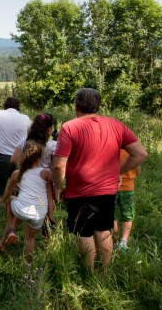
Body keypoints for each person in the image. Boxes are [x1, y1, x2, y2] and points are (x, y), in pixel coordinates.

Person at [53, 88, 148, 270]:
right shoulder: (116, 125)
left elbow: (58, 165)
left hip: (78, 189)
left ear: (76, 107)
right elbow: (140, 154)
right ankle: (104, 272)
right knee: (103, 230)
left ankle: (88, 273)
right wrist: (119, 171)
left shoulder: (69, 127)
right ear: (98, 107)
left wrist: (58, 187)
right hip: (107, 189)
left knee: (84, 233)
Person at [0, 140, 54, 262]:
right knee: (29, 239)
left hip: (21, 210)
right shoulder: (46, 173)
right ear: (39, 157)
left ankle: (10, 230)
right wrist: (51, 216)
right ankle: (27, 266)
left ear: (23, 156)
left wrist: (5, 202)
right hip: (38, 214)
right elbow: (50, 197)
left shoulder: (17, 173)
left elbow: (7, 193)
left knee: (12, 199)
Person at [0, 97, 31, 227]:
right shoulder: (25, 118)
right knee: (19, 186)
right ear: (18, 107)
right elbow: (29, 135)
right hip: (20, 158)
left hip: (2, 157)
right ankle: (19, 215)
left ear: (5, 106)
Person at [113, 149, 141, 251]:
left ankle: (114, 243)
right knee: (128, 217)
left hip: (112, 188)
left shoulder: (111, 150)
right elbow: (137, 172)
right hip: (128, 188)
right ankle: (123, 244)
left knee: (113, 217)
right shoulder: (131, 152)